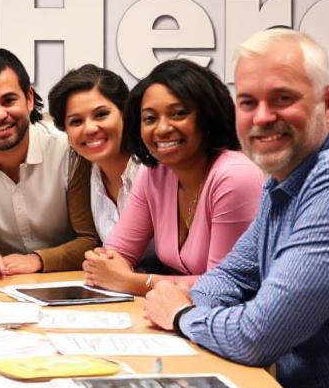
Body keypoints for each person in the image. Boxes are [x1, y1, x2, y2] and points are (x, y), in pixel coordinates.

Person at [144, 30, 329, 388]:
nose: (262, 117)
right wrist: (191, 303)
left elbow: (257, 337)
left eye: (283, 99)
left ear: (326, 103)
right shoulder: (288, 173)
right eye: (247, 102)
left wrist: (180, 314)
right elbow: (233, 276)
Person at [83, 59, 263, 295]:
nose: (162, 128)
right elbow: (115, 255)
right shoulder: (154, 172)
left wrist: (133, 282)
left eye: (178, 114)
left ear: (207, 117)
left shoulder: (235, 176)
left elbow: (224, 285)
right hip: (179, 313)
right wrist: (106, 268)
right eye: (150, 118)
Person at [0, 48, 99, 280]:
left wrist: (37, 260)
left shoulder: (68, 150)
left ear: (29, 99)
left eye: (8, 100)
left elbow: (90, 239)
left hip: (65, 280)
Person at [48, 64, 141, 243]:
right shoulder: (90, 176)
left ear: (125, 114)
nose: (90, 129)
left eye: (101, 114)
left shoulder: (154, 170)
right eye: (76, 121)